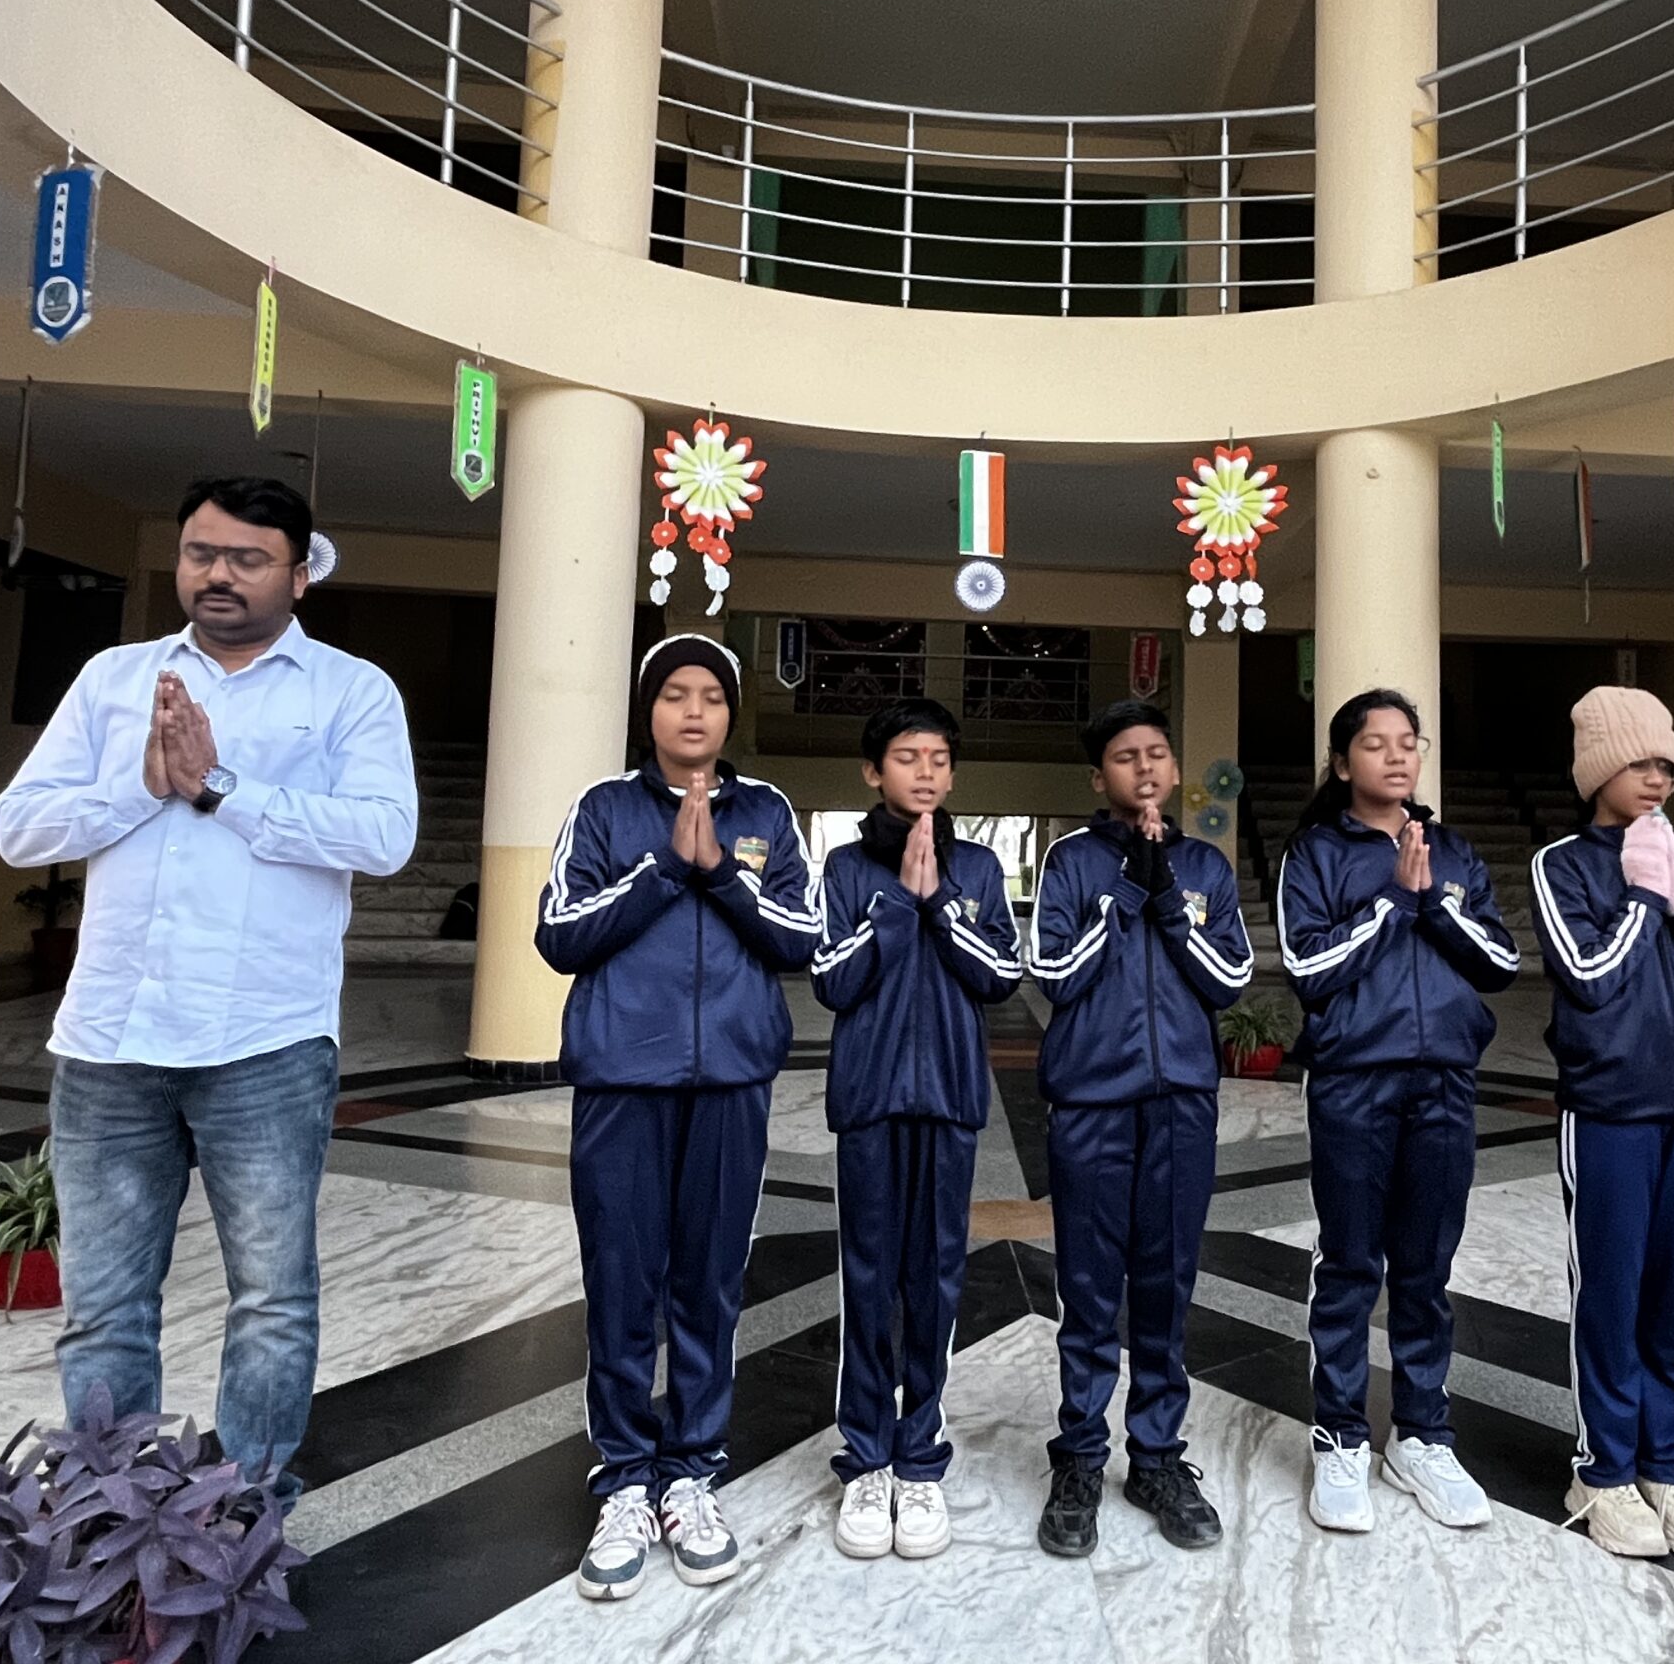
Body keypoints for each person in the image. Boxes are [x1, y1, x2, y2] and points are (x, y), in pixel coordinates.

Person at [0, 476, 416, 1510]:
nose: (218, 574)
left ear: (300, 575)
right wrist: (142, 782)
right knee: (103, 1306)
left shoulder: (350, 692)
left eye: (247, 559)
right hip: (110, 1044)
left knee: (270, 1300)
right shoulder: (114, 680)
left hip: (265, 1042)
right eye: (200, 553)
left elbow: (384, 836)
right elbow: (18, 827)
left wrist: (223, 789)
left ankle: (244, 1508)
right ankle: (104, 1507)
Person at [534, 634, 820, 1600]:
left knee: (709, 1282)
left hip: (731, 1081)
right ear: (648, 710)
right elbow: (558, 933)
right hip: (623, 1078)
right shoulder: (604, 809)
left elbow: (802, 937)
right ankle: (624, 1479)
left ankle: (692, 1471)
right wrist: (664, 867)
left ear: (731, 714)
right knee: (622, 1282)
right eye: (674, 695)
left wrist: (723, 874)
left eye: (711, 696)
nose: (693, 712)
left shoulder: (767, 813)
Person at [1278, 688, 1517, 1535]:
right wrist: (1392, 903)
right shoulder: (1315, 853)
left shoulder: (1453, 852)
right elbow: (1310, 970)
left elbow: (1500, 962)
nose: (1396, 756)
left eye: (1408, 742)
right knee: (1351, 1263)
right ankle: (1340, 1435)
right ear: (1343, 762)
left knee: (1426, 1268)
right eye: (1375, 743)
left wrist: (1435, 902)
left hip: (1443, 1079)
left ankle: (1421, 1436)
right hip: (1353, 1080)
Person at [1027, 699, 1254, 1559]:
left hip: (1182, 1104)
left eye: (1157, 752)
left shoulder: (1206, 867)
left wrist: (1168, 902)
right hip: (1091, 1102)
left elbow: (1229, 979)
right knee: (1089, 1291)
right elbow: (1053, 972)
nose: (1146, 767)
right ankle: (1081, 1457)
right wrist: (1126, 891)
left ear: (1174, 768)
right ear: (1100, 778)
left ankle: (1156, 1457)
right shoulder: (1071, 861)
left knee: (1165, 1286)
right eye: (1126, 757)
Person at [1530, 687, 1674, 1561]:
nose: (1657, 779)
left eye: (1667, 764)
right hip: (1610, 1108)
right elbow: (1588, 976)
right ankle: (1603, 1472)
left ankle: (1668, 1467)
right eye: (1638, 763)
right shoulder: (1562, 865)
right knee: (1612, 1291)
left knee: (1673, 1291)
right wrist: (1641, 897)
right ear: (1597, 772)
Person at [811, 698, 1022, 1563]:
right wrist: (899, 903)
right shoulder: (844, 867)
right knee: (869, 1277)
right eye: (907, 757)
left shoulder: (979, 867)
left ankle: (919, 1455)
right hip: (869, 1098)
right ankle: (867, 1457)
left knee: (934, 1279)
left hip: (949, 1098)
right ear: (873, 771)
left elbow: (1002, 976)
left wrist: (943, 906)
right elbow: (831, 980)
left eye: (938, 758)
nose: (926, 771)